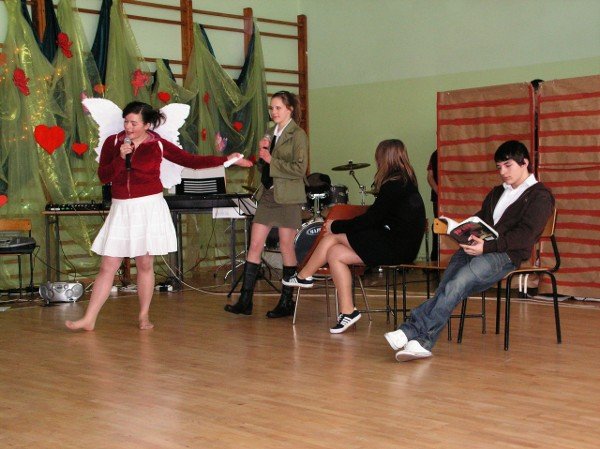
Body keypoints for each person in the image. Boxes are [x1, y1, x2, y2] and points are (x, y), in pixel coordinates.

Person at [66, 101, 252, 331]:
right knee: (108, 266)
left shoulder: (158, 144)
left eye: (134, 123)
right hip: (121, 209)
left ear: (147, 125)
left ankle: (143, 315)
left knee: (145, 264)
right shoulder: (113, 142)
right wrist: (120, 158)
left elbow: (191, 161)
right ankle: (89, 318)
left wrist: (226, 160)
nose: (128, 127)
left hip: (149, 207)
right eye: (126, 122)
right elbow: (104, 176)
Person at [384, 140, 554, 361]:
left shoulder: (540, 195)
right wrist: (459, 229)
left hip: (505, 255)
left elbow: (525, 236)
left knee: (456, 284)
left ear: (525, 163)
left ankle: (413, 333)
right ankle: (418, 340)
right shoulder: (497, 192)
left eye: (508, 165)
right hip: (480, 248)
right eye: (499, 167)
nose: (502, 172)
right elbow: (481, 220)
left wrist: (487, 247)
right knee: (448, 286)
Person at [283, 139, 426, 333]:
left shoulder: (394, 185)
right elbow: (377, 219)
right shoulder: (404, 181)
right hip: (398, 244)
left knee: (332, 237)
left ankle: (303, 276)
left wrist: (336, 225)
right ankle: (348, 312)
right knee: (334, 253)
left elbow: (371, 219)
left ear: (383, 158)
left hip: (397, 246)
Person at [224, 91, 308, 318]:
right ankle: (245, 300)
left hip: (288, 197)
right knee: (255, 244)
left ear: (290, 109)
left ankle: (286, 301)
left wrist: (272, 159)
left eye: (278, 108)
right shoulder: (270, 133)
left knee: (286, 246)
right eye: (272, 108)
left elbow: (300, 169)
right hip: (268, 196)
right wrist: (260, 158)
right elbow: (265, 168)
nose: (274, 112)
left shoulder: (298, 134)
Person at [427, 149, 438, 261]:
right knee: (438, 225)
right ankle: (435, 257)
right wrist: (438, 191)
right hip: (438, 197)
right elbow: (430, 177)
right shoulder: (435, 154)